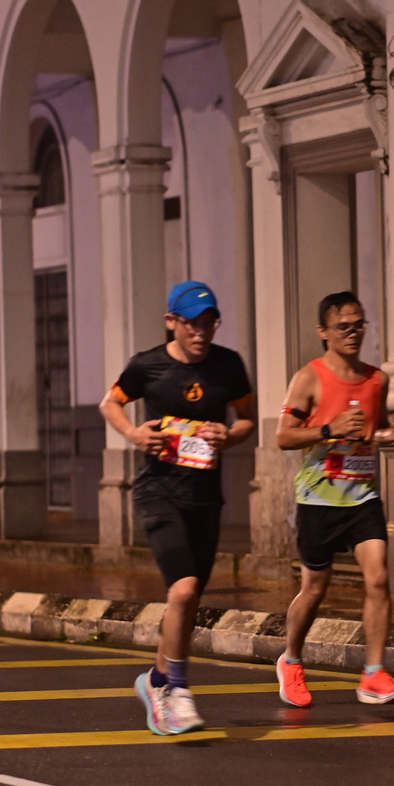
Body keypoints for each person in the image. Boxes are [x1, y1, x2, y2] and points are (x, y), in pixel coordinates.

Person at [100, 281, 255, 735]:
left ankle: (156, 681)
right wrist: (133, 434)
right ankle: (178, 692)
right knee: (183, 590)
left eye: (209, 323)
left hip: (204, 499)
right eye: (191, 324)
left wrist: (231, 435)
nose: (200, 332)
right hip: (158, 493)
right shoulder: (147, 365)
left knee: (185, 602)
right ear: (171, 321)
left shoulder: (228, 365)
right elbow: (110, 403)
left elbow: (246, 417)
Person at [276, 290, 394, 708]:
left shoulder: (377, 379)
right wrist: (329, 429)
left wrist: (391, 433)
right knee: (315, 589)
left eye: (358, 325)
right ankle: (291, 660)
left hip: (362, 497)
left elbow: (374, 429)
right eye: (343, 327)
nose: (353, 333)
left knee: (379, 577)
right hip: (318, 498)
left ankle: (373, 673)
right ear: (324, 331)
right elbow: (283, 437)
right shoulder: (309, 378)